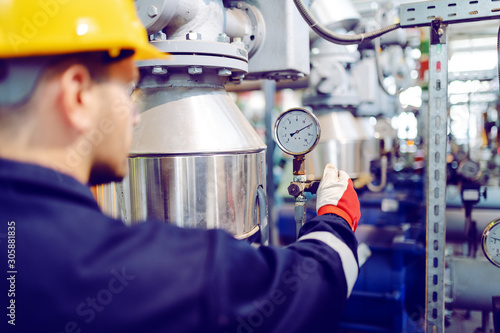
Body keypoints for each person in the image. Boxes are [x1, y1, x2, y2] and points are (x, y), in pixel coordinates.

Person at [0, 0, 361, 332]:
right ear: (77, 94)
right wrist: (335, 221)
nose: (135, 117)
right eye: (129, 85)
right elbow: (308, 289)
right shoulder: (116, 269)